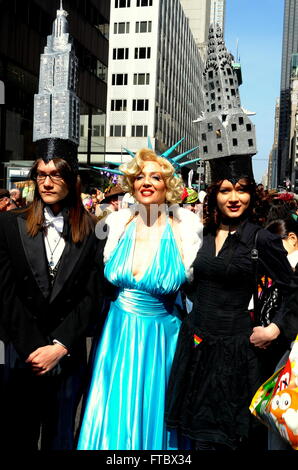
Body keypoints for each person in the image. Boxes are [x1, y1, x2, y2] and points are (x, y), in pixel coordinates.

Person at [165, 158, 296, 451]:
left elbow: (293, 290)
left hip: (236, 355)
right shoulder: (203, 234)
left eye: (242, 190)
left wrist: (274, 329)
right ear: (214, 194)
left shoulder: (261, 239)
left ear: (252, 195)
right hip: (196, 345)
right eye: (226, 190)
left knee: (226, 440)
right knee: (194, 438)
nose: (234, 198)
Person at [77, 147, 202, 450]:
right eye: (140, 177)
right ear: (132, 184)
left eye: (155, 177)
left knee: (155, 413)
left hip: (162, 338)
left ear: (167, 185)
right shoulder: (117, 225)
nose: (146, 182)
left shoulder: (186, 229)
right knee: (113, 413)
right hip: (116, 335)